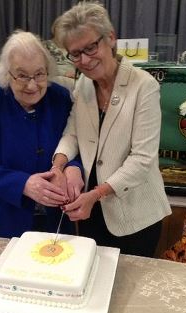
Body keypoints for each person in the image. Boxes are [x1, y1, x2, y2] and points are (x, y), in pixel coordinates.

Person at [52, 1, 172, 257]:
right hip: (91, 212)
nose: (84, 60)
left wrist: (96, 194)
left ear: (111, 38)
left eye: (90, 47)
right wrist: (57, 167)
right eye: (75, 53)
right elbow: (72, 133)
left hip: (134, 214)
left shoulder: (143, 86)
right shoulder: (84, 84)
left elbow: (142, 159)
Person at [0, 30, 83, 238]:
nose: (32, 84)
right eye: (22, 75)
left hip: (53, 221)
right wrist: (23, 184)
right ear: (6, 73)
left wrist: (74, 168)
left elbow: (75, 143)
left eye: (39, 74)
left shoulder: (60, 99)